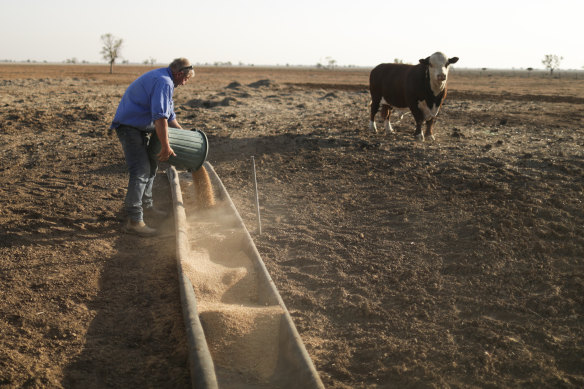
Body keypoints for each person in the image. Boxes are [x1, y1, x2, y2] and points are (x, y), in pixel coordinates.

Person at [110, 58, 194, 236]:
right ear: (179, 74)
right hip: (129, 127)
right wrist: (165, 146)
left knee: (152, 165)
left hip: (140, 127)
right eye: (186, 79)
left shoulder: (166, 79)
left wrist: (186, 136)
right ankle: (134, 220)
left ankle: (147, 207)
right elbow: (160, 118)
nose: (185, 83)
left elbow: (170, 117)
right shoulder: (164, 82)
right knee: (141, 170)